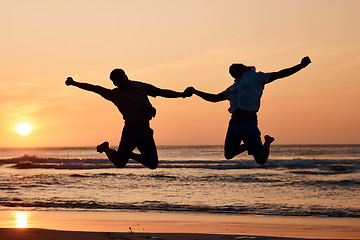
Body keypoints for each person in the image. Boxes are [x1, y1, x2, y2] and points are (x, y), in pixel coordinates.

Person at [185, 56, 311, 165]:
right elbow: (214, 98)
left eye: (234, 68)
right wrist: (195, 91)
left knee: (261, 161)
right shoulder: (233, 88)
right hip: (234, 124)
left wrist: (301, 66)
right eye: (230, 71)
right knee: (229, 154)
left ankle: (267, 142)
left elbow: (280, 74)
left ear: (242, 68)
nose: (232, 71)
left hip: (249, 123)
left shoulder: (256, 77)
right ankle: (249, 145)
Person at [65, 68, 191, 170]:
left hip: (145, 130)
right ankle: (106, 148)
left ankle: (128, 154)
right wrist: (74, 83)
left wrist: (181, 94)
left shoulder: (140, 86)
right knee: (120, 163)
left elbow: (161, 92)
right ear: (114, 83)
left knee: (152, 164)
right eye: (117, 81)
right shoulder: (115, 95)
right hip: (131, 130)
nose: (121, 81)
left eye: (122, 78)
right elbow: (94, 88)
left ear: (126, 76)